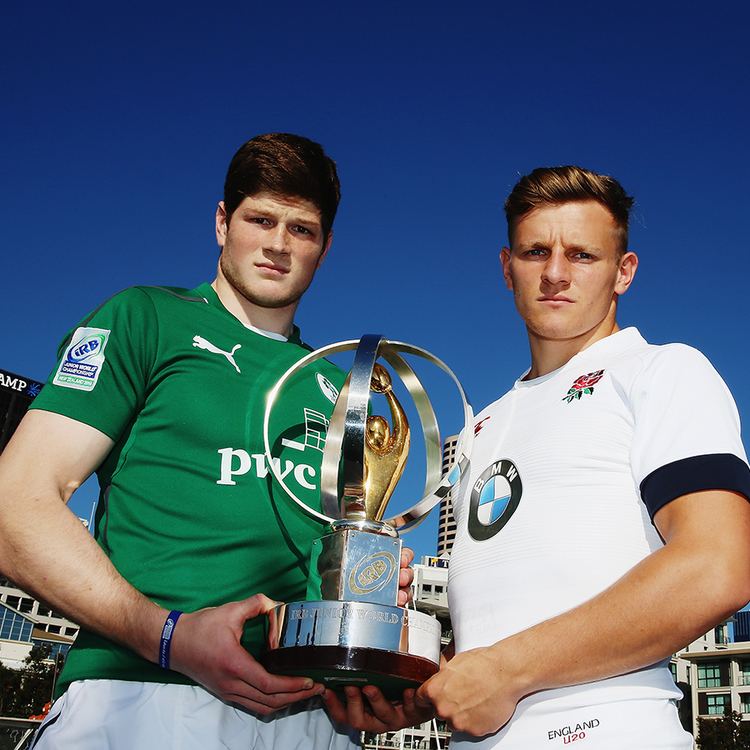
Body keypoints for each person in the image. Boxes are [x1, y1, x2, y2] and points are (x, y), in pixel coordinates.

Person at [0, 133, 413, 749]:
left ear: (325, 248)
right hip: (143, 695)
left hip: (308, 721)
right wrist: (165, 636)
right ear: (223, 223)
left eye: (301, 229)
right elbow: (14, 507)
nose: (277, 244)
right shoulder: (144, 318)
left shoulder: (341, 385)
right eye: (260, 219)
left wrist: (367, 615)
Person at [410, 166, 750, 747]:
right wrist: (415, 679)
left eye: (583, 255)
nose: (555, 274)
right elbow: (500, 622)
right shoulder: (481, 425)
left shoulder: (662, 372)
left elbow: (719, 565)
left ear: (624, 272)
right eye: (535, 251)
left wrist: (508, 671)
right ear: (505, 268)